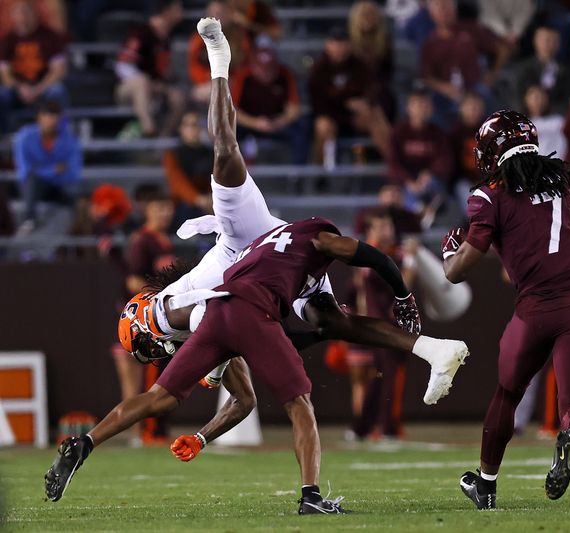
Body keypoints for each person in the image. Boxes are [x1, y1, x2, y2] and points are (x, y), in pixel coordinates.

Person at [45, 17, 470, 512]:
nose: (152, 351)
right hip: (253, 276)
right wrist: (204, 436)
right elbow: (246, 390)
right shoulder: (187, 322)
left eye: (146, 346)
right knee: (330, 326)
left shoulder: (180, 311)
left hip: (246, 254)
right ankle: (424, 354)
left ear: (144, 321)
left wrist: (397, 294)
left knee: (225, 152)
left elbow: (235, 347)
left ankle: (220, 63)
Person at [442, 110, 570, 508]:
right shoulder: (565, 179)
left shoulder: (489, 195)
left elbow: (457, 272)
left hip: (534, 309)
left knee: (507, 394)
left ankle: (486, 484)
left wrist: (448, 251)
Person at [349, 211, 418, 440]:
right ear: (370, 231)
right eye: (381, 227)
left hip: (385, 327)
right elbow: (402, 285)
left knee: (379, 378)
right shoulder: (371, 257)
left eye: (388, 226)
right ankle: (386, 427)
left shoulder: (389, 254)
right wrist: (409, 263)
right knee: (386, 376)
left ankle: (363, 427)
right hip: (382, 327)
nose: (386, 231)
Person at [119, 189, 175, 445]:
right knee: (151, 376)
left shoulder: (164, 240)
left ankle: (154, 429)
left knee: (163, 374)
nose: (164, 213)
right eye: (159, 208)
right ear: (148, 210)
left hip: (160, 319)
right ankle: (148, 430)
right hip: (146, 321)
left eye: (167, 208)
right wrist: (162, 297)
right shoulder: (143, 241)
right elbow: (133, 281)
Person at [420, 0, 509, 127]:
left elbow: (503, 49)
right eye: (439, 9)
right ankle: (443, 141)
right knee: (431, 103)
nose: (443, 12)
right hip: (448, 91)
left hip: (475, 86)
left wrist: (493, 73)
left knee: (484, 93)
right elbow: (427, 77)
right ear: (431, 14)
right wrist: (444, 88)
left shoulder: (471, 29)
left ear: (454, 10)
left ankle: (494, 138)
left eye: (446, 7)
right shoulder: (429, 43)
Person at [308, 27, 389, 165]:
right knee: (323, 126)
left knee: (374, 116)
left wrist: (364, 103)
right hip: (329, 116)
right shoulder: (319, 69)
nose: (339, 47)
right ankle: (324, 174)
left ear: (349, 45)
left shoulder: (359, 65)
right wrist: (345, 102)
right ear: (328, 45)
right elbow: (318, 102)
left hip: (353, 117)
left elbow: (371, 90)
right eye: (335, 43)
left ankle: (393, 163)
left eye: (342, 43)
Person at [114, 0, 185, 137]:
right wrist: (149, 83)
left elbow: (162, 71)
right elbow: (122, 65)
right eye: (177, 8)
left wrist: (165, 82)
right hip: (127, 88)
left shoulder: (166, 37)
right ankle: (149, 129)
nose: (181, 13)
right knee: (142, 81)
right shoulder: (141, 33)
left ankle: (164, 139)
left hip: (154, 88)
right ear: (167, 12)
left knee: (178, 97)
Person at [231, 36, 305, 164]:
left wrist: (277, 123)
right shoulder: (243, 75)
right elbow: (232, 109)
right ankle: (232, 174)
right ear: (253, 65)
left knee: (302, 127)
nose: (265, 73)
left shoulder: (286, 74)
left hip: (277, 124)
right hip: (249, 125)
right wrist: (255, 123)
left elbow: (294, 109)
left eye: (269, 69)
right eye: (261, 68)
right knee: (226, 128)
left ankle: (296, 175)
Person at [14, 99, 81, 236]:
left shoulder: (70, 139)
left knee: (75, 193)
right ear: (39, 117)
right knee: (30, 181)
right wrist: (53, 170)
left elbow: (73, 173)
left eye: (56, 115)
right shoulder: (24, 137)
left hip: (60, 184)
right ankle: (29, 220)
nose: (53, 119)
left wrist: (41, 170)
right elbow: (24, 172)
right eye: (48, 114)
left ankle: (76, 230)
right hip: (36, 185)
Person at [0, 1, 68, 133]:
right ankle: (3, 138)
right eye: (20, 14)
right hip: (18, 89)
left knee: (58, 91)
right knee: (2, 94)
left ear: (35, 15)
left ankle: (60, 134)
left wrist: (38, 88)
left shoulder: (50, 37)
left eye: (27, 14)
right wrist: (20, 88)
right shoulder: (6, 40)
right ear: (13, 17)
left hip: (43, 87)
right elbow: (5, 75)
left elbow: (59, 70)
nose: (23, 18)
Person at [387, 88, 452, 217]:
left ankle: (426, 209)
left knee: (435, 185)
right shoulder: (398, 131)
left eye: (425, 105)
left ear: (431, 109)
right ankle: (422, 211)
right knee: (403, 192)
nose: (421, 109)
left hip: (429, 180)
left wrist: (429, 173)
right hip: (406, 181)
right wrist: (408, 181)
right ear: (408, 108)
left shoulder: (438, 133)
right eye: (417, 104)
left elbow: (445, 160)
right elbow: (393, 162)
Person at [187, 0, 250, 105]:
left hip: (233, 83)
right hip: (206, 85)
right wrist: (210, 82)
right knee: (210, 92)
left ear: (229, 15)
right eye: (210, 14)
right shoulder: (198, 40)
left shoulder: (240, 39)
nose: (214, 18)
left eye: (219, 14)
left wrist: (232, 81)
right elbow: (194, 67)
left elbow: (245, 67)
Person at [162, 111, 214, 223]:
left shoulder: (211, 153)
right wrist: (198, 199)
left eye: (196, 125)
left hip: (209, 200)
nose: (194, 129)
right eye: (189, 125)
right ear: (181, 128)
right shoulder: (172, 154)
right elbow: (177, 183)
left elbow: (216, 178)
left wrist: (211, 198)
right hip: (184, 203)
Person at [514, 25, 570, 115]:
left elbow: (567, 100)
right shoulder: (522, 69)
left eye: (554, 41)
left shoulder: (565, 72)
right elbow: (515, 97)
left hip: (555, 120)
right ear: (535, 41)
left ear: (559, 45)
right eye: (546, 40)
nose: (549, 45)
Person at [449, 91, 486, 214]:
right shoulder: (455, 133)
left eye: (476, 106)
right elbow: (452, 165)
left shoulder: (490, 131)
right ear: (461, 108)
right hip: (464, 181)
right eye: (469, 106)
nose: (473, 110)